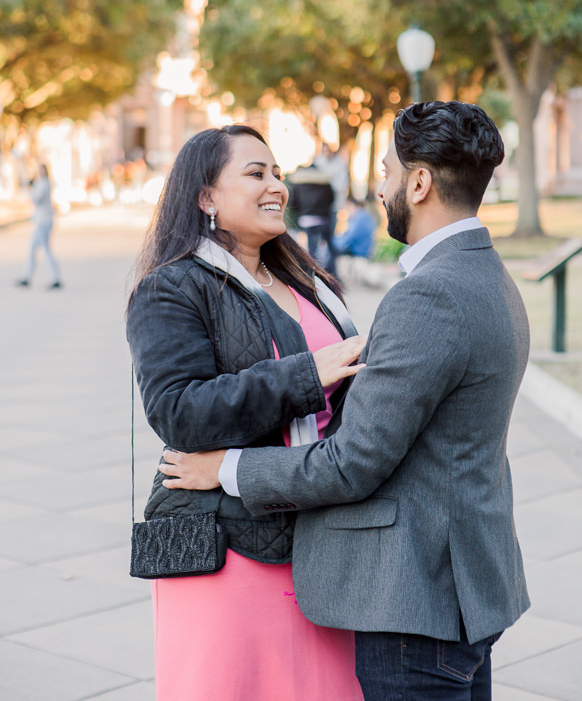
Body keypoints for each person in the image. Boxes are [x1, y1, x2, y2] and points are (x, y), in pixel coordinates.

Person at [159, 101, 531, 701]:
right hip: (457, 585)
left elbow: (352, 462)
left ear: (419, 181)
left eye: (386, 172)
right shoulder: (487, 275)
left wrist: (223, 467)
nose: (381, 189)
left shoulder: (427, 295)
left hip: (415, 595)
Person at [124, 124, 369, 699]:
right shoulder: (172, 288)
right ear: (206, 197)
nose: (276, 186)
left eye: (277, 173)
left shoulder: (305, 280)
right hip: (228, 547)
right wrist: (309, 373)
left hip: (316, 532)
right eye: (255, 173)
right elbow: (177, 410)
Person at [288, 157, 338, 278]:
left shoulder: (299, 182)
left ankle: (312, 274)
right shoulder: (325, 182)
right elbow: (332, 199)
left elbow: (293, 202)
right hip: (322, 219)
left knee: (311, 249)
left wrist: (302, 211)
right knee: (328, 247)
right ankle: (331, 273)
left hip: (306, 220)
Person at [15, 163, 63, 289]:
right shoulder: (41, 183)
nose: (41, 172)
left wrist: (30, 188)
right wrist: (32, 186)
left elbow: (36, 199)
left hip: (43, 223)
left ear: (46, 171)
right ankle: (27, 277)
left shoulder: (44, 184)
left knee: (45, 251)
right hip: (42, 222)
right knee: (33, 250)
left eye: (42, 170)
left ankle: (56, 277)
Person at [332, 196, 378, 263]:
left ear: (353, 206)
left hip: (358, 254)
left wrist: (335, 240)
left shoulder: (359, 218)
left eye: (347, 207)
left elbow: (348, 238)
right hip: (362, 252)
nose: (346, 210)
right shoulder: (364, 215)